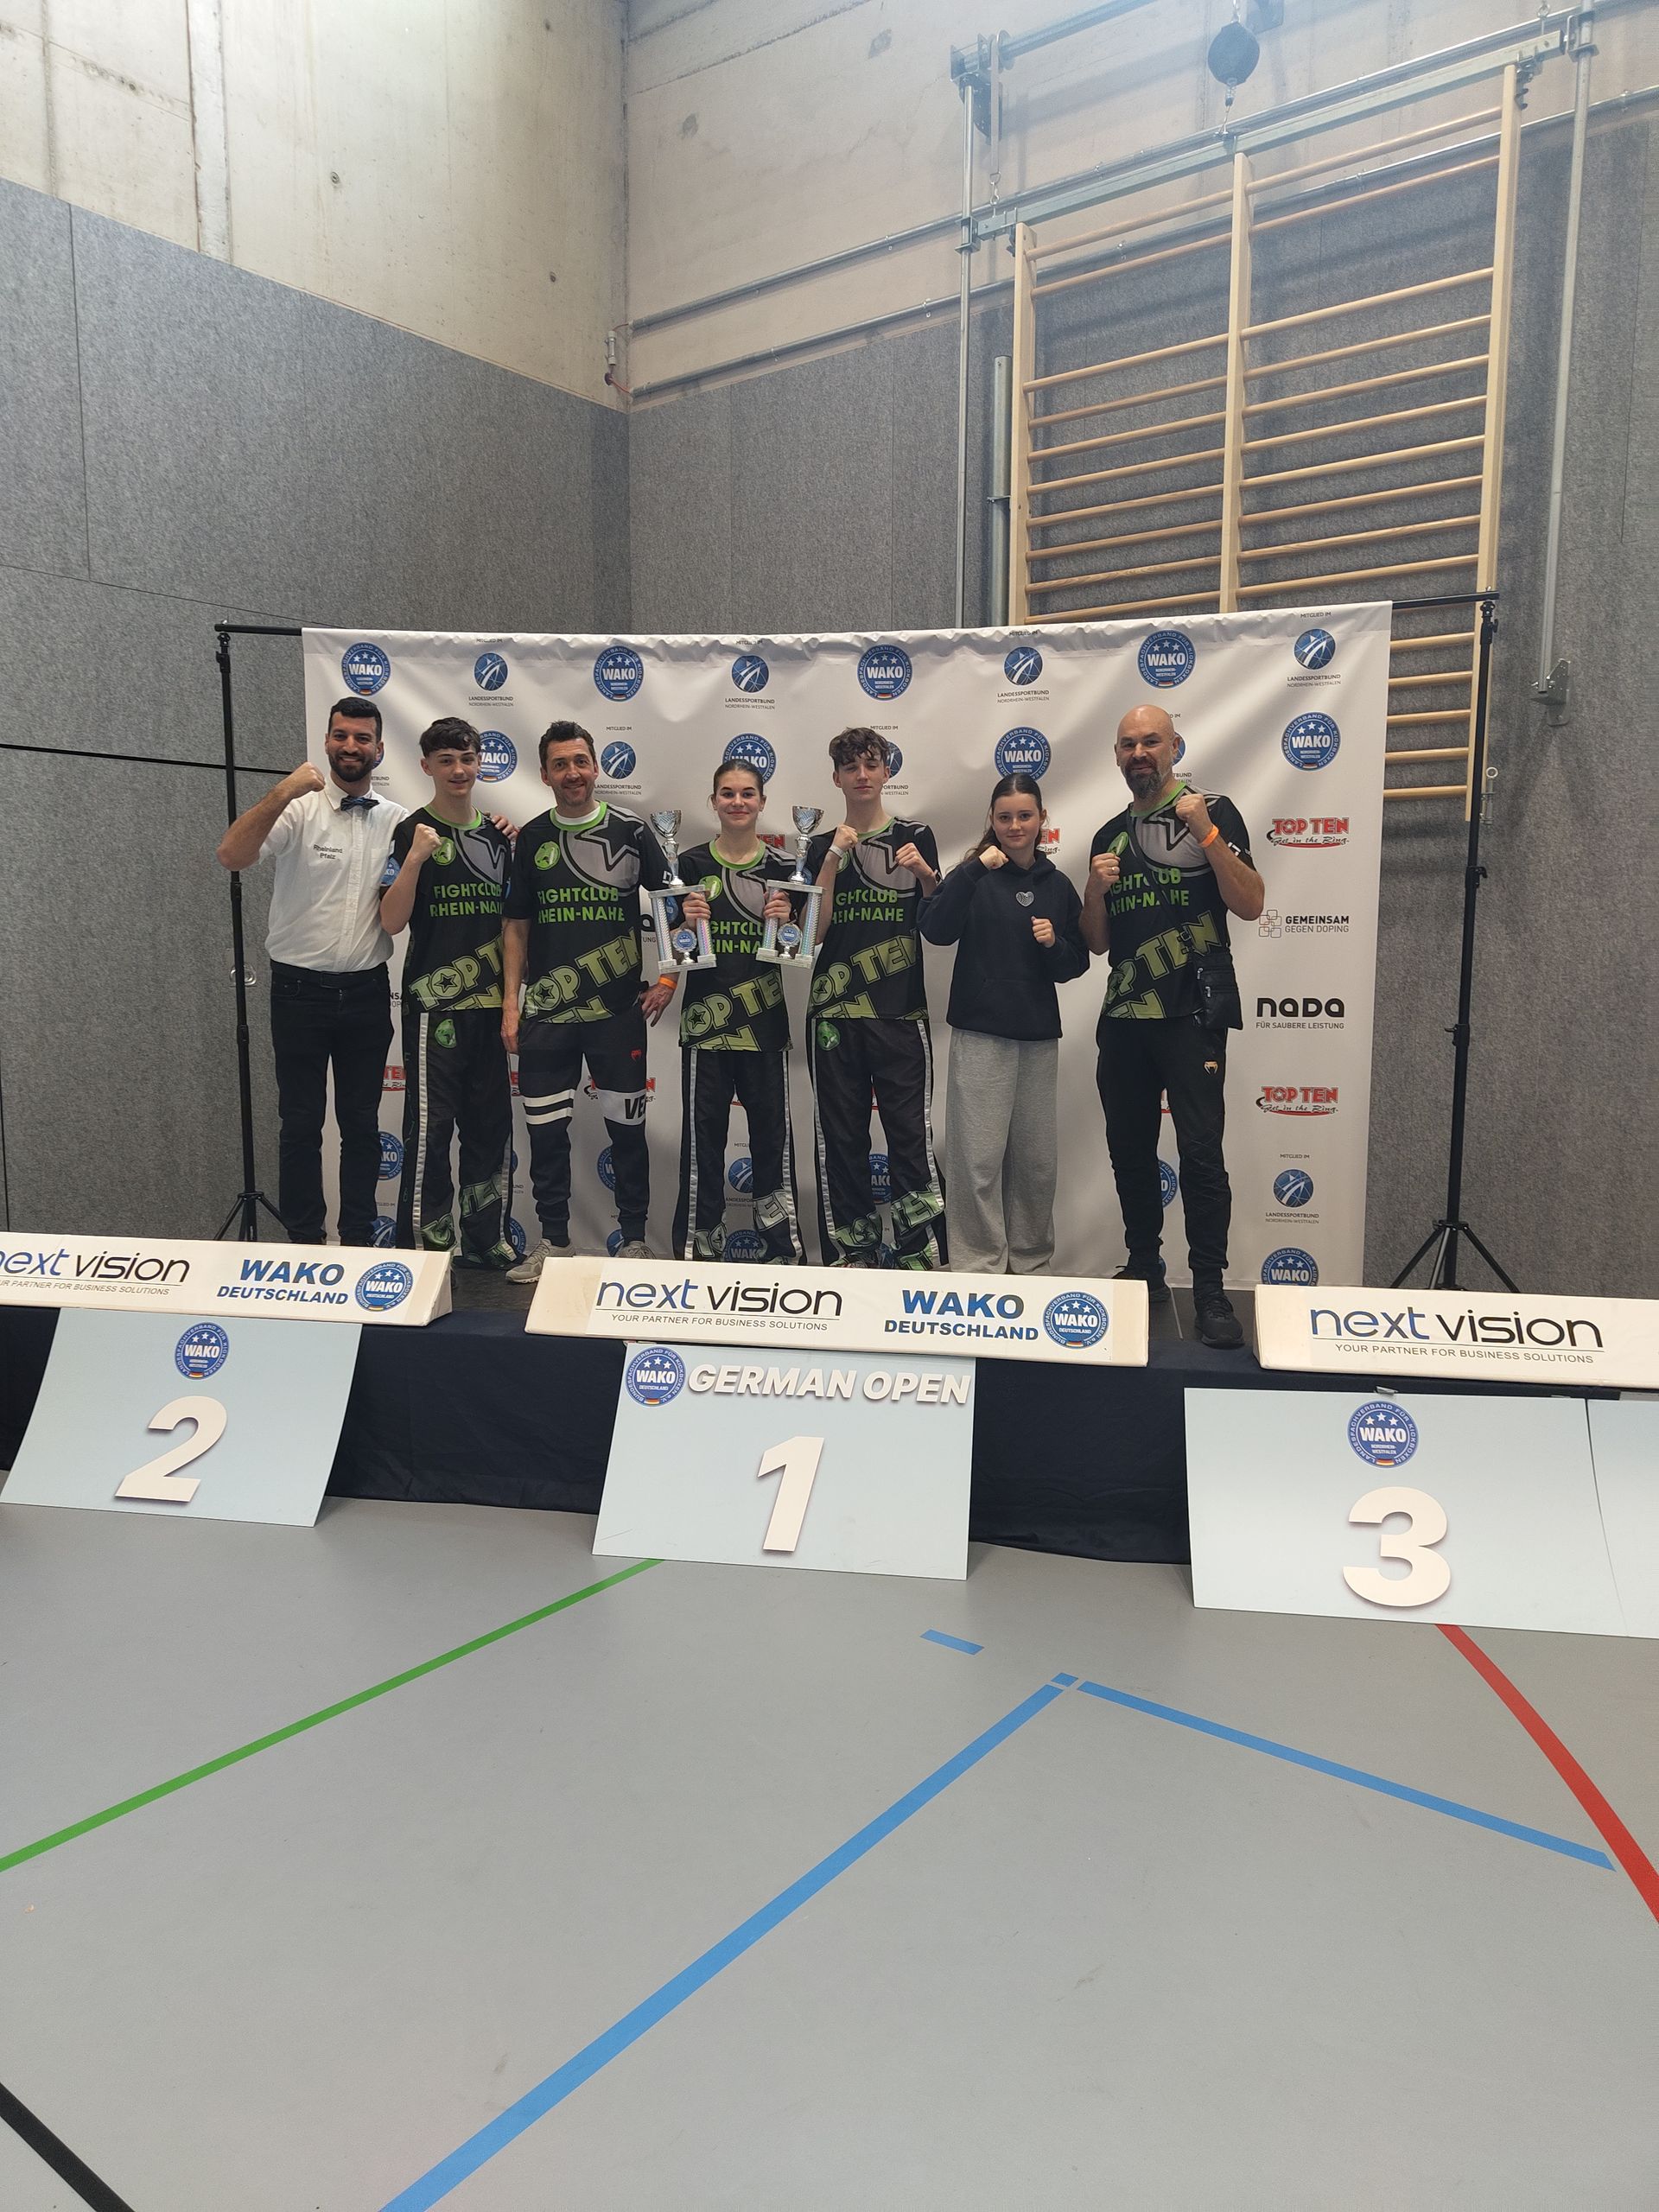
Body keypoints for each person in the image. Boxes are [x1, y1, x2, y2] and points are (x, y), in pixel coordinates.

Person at [1080, 702, 1265, 1349]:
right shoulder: (1109, 834)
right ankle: (1145, 1268)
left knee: (1201, 1155)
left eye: (1151, 741)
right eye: (1128, 743)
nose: (1140, 753)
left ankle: (1210, 1288)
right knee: (1129, 1150)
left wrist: (1207, 835)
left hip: (1191, 1016)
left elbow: (1251, 904)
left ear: (1175, 747)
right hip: (1126, 1017)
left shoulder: (1215, 811)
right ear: (1117, 755)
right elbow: (1096, 943)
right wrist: (1094, 891)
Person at [217, 696, 406, 1246]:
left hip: (367, 993)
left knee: (362, 1125)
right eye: (341, 735)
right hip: (298, 991)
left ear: (379, 749)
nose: (351, 746)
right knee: (300, 1124)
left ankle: (357, 1240)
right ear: (326, 742)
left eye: (362, 738)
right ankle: (304, 1242)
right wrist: (282, 791)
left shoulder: (397, 820)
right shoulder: (298, 809)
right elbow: (231, 855)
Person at [500, 720, 679, 1279]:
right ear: (544, 774)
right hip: (546, 1014)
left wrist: (669, 979)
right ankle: (554, 1243)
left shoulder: (633, 830)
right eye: (560, 764)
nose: (572, 773)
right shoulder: (532, 838)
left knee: (627, 1132)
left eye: (580, 761)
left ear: (596, 766)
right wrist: (511, 1004)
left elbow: (675, 906)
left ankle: (634, 1242)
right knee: (545, 1134)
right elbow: (516, 926)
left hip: (617, 1014)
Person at [920, 773, 1089, 1274]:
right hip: (981, 1035)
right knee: (976, 1159)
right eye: (1005, 817)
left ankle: (1031, 1262)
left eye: (1025, 816)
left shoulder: (1057, 885)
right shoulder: (973, 875)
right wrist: (972, 870)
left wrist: (1053, 944)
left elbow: (1076, 963)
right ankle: (978, 1263)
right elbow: (935, 930)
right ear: (992, 821)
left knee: (1036, 1164)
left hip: (1037, 1038)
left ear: (1042, 820)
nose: (1015, 826)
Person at [803, 728, 947, 1268]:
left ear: (887, 771)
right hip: (834, 1013)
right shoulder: (819, 845)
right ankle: (855, 1252)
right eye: (851, 767)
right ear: (836, 777)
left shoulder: (916, 835)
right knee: (842, 1138)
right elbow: (814, 933)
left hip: (900, 1012)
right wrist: (833, 858)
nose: (862, 775)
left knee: (909, 1136)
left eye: (871, 764)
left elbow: (938, 922)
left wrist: (926, 875)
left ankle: (919, 1253)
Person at [378, 718, 516, 1265]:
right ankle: (426, 1246)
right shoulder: (407, 831)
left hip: (491, 1005)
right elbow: (390, 921)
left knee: (490, 1128)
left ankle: (485, 1239)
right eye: (446, 761)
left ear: (479, 762)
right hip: (434, 1007)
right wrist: (414, 858)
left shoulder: (501, 836)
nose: (458, 770)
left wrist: (512, 999)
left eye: (467, 759)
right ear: (426, 766)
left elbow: (514, 925)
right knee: (431, 1130)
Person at [662, 759, 805, 1262]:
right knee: (703, 1145)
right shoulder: (688, 866)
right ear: (714, 802)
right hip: (706, 1029)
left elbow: (799, 952)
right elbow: (673, 951)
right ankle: (700, 1249)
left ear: (762, 802)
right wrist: (684, 924)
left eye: (747, 793)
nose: (738, 802)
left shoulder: (786, 869)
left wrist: (787, 921)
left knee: (772, 1144)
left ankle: (780, 1248)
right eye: (727, 793)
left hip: (765, 1028)